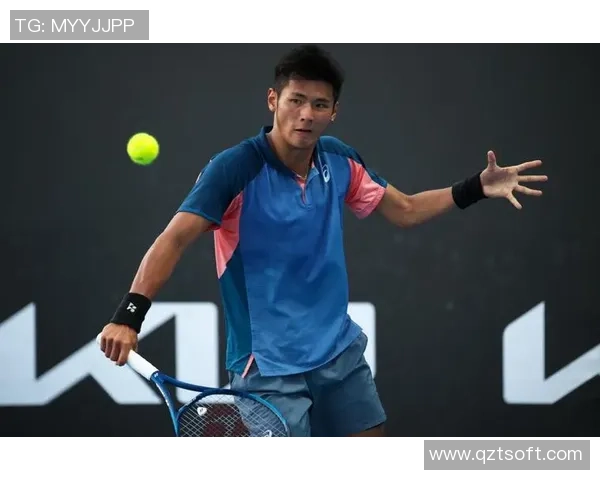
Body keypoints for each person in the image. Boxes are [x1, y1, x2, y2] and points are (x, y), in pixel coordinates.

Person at [98, 45, 548, 437]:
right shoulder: (234, 169)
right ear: (273, 100)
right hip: (267, 367)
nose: (306, 114)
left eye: (319, 104)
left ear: (334, 111)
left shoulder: (338, 159)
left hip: (337, 352)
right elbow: (174, 239)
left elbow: (406, 210)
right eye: (296, 100)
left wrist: (476, 187)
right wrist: (129, 316)